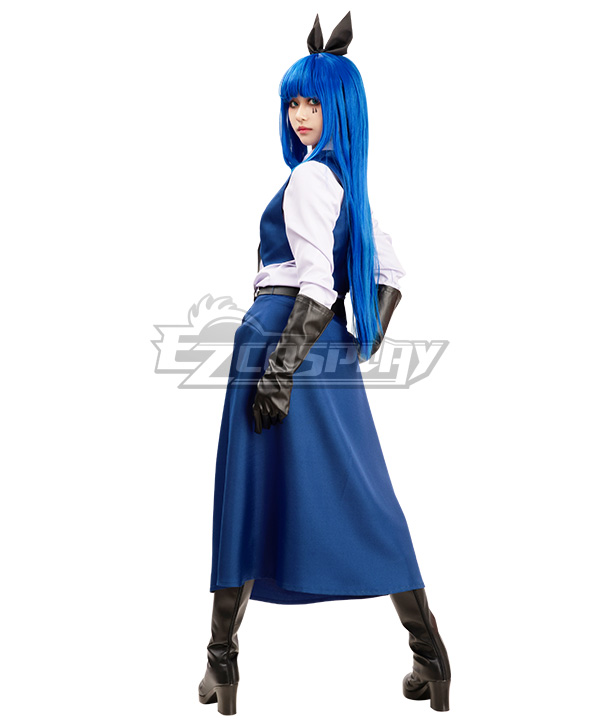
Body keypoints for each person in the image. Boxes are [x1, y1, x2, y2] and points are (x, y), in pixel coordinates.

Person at [198, 11, 451, 715]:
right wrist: (351, 347)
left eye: (313, 102)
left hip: (280, 339)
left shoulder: (312, 179)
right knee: (364, 495)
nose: (300, 115)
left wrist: (280, 369)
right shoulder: (347, 182)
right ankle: (430, 654)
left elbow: (315, 282)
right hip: (322, 349)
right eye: (293, 102)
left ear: (341, 105)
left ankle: (222, 667)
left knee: (246, 497)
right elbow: (389, 274)